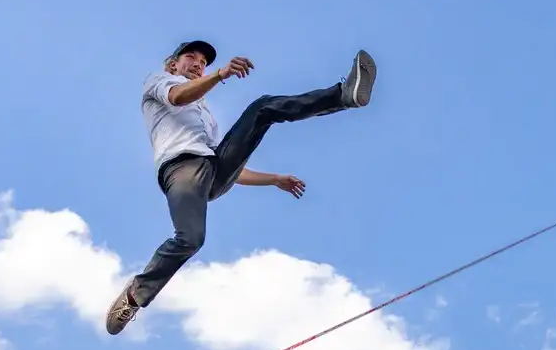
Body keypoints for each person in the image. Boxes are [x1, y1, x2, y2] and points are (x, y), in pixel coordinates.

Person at [104, 41, 377, 334]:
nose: (198, 64)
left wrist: (274, 179)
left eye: (203, 62)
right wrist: (220, 75)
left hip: (212, 170)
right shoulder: (158, 81)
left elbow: (229, 169)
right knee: (190, 238)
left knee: (262, 108)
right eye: (190, 58)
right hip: (181, 170)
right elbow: (177, 97)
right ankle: (135, 295)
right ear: (173, 65)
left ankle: (343, 95)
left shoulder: (204, 114)